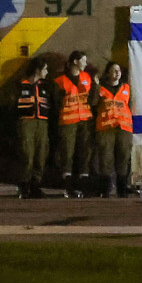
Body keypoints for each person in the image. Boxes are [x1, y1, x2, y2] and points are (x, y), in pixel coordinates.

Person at [52, 51, 96, 199]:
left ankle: (83, 186)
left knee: (85, 153)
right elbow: (56, 102)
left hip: (84, 121)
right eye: (83, 61)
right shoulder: (60, 81)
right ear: (75, 62)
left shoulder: (86, 78)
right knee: (67, 153)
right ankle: (68, 187)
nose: (86, 63)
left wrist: (96, 86)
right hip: (68, 122)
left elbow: (92, 99)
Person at [92, 62, 137, 197]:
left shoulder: (126, 88)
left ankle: (122, 189)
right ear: (107, 73)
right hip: (106, 129)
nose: (117, 73)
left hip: (123, 129)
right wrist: (96, 86)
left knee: (123, 158)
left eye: (118, 70)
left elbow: (129, 106)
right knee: (105, 159)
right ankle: (105, 190)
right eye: (113, 70)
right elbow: (93, 103)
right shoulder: (101, 89)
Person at [13, 60, 51, 199]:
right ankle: (23, 186)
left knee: (41, 155)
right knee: (27, 154)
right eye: (45, 69)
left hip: (42, 123)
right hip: (26, 122)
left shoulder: (45, 86)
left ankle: (36, 185)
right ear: (37, 70)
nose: (47, 72)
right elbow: (13, 105)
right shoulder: (20, 85)